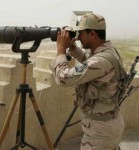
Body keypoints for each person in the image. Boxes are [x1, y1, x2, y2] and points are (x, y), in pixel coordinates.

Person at [51, 12, 125, 150]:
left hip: (100, 132)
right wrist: (73, 48)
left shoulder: (100, 61)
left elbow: (62, 78)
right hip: (107, 125)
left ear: (92, 34)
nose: (78, 38)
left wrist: (60, 49)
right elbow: (90, 65)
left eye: (81, 34)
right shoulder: (108, 51)